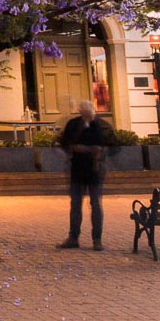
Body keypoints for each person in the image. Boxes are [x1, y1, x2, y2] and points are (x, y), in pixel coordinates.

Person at [56, 99, 115, 250]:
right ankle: (73, 237)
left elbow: (113, 145)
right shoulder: (73, 124)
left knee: (95, 204)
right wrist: (72, 149)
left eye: (89, 114)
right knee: (76, 204)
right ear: (80, 112)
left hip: (95, 170)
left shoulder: (102, 126)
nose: (87, 117)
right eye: (84, 114)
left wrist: (100, 151)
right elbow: (63, 143)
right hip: (77, 168)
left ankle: (97, 239)